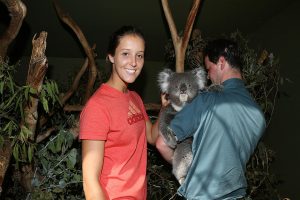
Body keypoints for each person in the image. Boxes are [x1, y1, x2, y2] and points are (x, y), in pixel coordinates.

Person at [156, 38, 266, 199]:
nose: (208, 76)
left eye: (209, 69)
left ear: (221, 62)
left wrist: (186, 175)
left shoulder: (207, 100)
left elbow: (161, 143)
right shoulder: (258, 115)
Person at [79, 25, 160, 200]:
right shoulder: (97, 106)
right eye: (125, 54)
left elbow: (152, 137)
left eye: (139, 55)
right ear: (111, 57)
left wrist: (167, 108)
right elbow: (90, 181)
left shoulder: (135, 98)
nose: (133, 62)